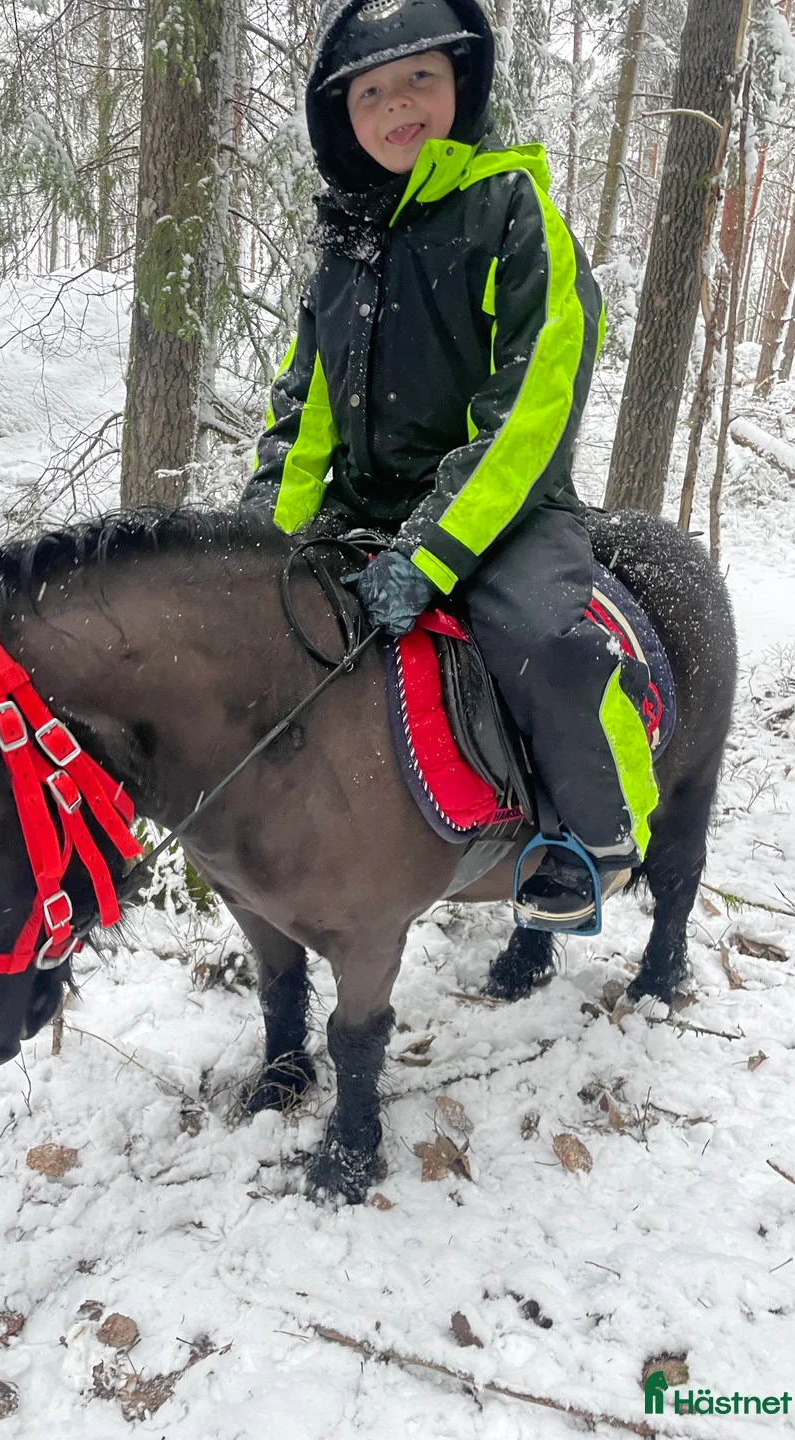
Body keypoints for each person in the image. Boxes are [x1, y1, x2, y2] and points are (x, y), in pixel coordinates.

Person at [239, 0, 658, 925]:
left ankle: (594, 833)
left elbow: (532, 405)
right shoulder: (340, 252)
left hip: (504, 512)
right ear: (341, 118)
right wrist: (256, 539)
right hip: (358, 512)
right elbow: (303, 417)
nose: (398, 107)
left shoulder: (514, 210)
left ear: (462, 84)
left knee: (542, 647)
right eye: (371, 92)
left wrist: (431, 551)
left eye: (418, 79)